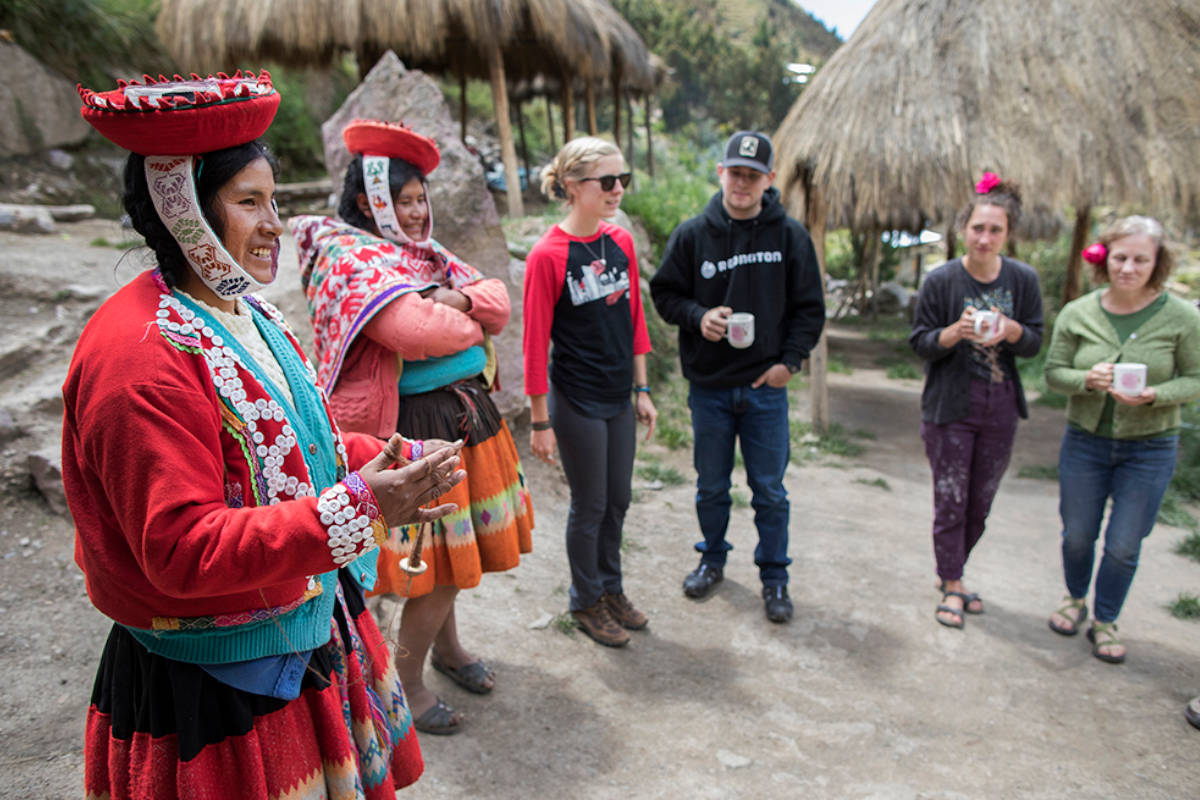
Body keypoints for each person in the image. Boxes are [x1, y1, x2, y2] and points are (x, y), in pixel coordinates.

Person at [65, 73, 467, 798]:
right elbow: (181, 549)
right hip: (214, 683)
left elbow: (293, 447)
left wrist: (383, 459)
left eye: (273, 201)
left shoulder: (242, 315)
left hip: (297, 623)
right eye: (250, 202)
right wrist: (357, 511)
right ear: (181, 205)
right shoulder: (140, 360)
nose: (275, 223)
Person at [291, 119, 533, 734]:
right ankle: (406, 683)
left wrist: (455, 301)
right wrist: (466, 312)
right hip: (412, 427)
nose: (418, 211)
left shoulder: (421, 255)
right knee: (439, 568)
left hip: (463, 416)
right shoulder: (347, 256)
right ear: (370, 202)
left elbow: (500, 298)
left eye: (421, 198)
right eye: (402, 200)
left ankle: (446, 653)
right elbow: (412, 332)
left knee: (453, 560)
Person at [650, 130, 824, 623]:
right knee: (711, 485)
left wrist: (788, 363)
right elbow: (665, 295)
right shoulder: (692, 234)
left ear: (769, 180)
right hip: (710, 387)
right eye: (735, 173)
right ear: (720, 172)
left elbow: (810, 310)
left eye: (753, 175)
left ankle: (775, 578)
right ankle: (711, 560)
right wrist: (697, 317)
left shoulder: (789, 237)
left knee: (769, 490)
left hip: (765, 390)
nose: (742, 183)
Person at [1044, 216, 1200, 663]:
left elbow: (1195, 377)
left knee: (1124, 544)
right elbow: (1055, 374)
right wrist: (1086, 379)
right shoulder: (1079, 312)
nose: (1129, 267)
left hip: (1150, 447)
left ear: (1158, 263)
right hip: (1085, 441)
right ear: (1104, 259)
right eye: (1120, 257)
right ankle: (1075, 598)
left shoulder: (1182, 318)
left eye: (1140, 259)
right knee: (1077, 535)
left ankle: (1106, 619)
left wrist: (1156, 396)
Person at [523, 136, 657, 647]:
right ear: (575, 187)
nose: (618, 188)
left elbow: (635, 321)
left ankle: (611, 590)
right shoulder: (547, 255)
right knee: (591, 503)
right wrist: (540, 422)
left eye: (622, 179)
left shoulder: (620, 242)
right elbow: (535, 345)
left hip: (618, 395)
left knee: (618, 500)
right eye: (607, 181)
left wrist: (642, 390)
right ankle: (585, 601)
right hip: (575, 399)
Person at [909, 172, 1044, 629]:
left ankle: (954, 572)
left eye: (995, 230)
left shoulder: (1022, 280)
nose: (985, 238)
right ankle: (951, 581)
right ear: (962, 230)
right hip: (950, 405)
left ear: (1008, 234)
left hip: (1001, 403)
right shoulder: (942, 281)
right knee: (951, 498)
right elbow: (921, 342)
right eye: (977, 228)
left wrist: (1014, 331)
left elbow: (1035, 342)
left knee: (980, 502)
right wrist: (954, 333)